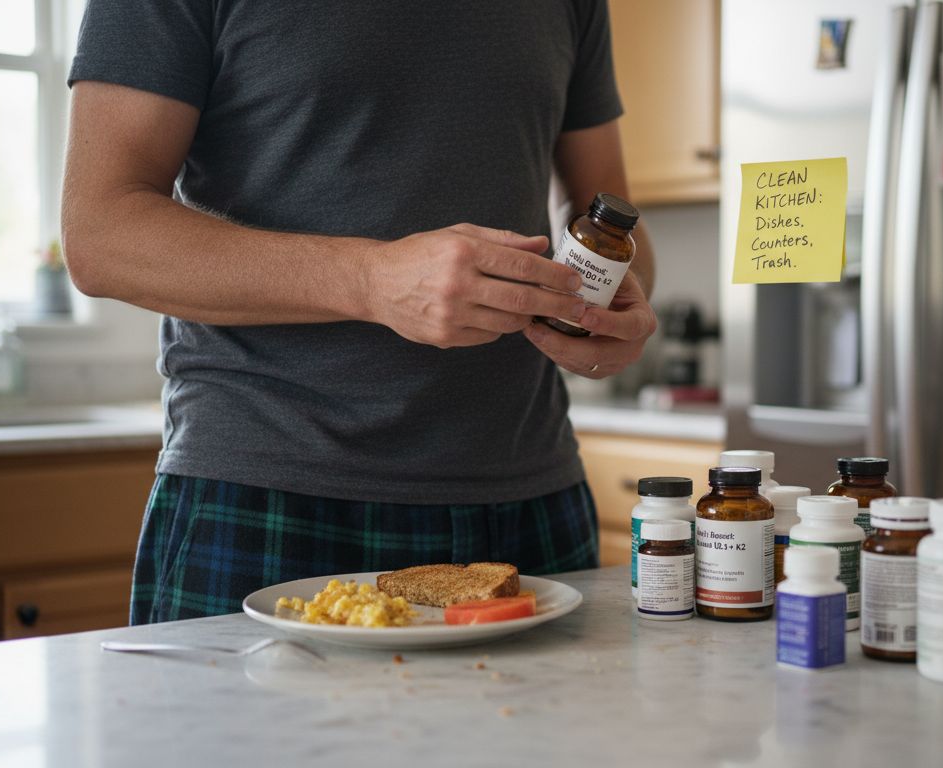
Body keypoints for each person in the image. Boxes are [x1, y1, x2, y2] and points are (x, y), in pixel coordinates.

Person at [61, 2, 658, 624]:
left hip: (533, 495)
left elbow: (610, 219)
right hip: (269, 494)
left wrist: (618, 298)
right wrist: (371, 279)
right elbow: (99, 233)